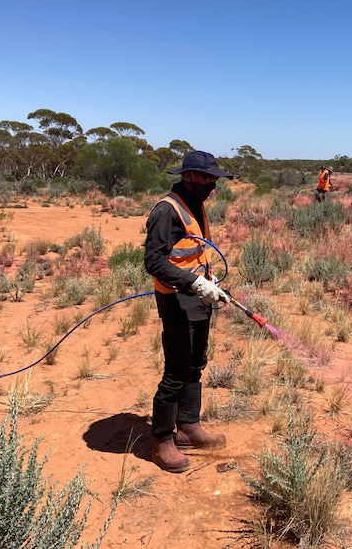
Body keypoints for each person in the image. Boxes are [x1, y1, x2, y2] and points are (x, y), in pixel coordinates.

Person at [143, 150, 234, 473]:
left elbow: (191, 252)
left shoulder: (195, 205)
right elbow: (153, 262)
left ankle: (188, 426)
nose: (213, 186)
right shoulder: (166, 211)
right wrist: (194, 284)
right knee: (176, 371)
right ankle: (162, 440)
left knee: (196, 363)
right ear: (190, 176)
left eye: (215, 180)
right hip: (176, 300)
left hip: (197, 297)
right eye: (209, 179)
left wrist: (207, 281)